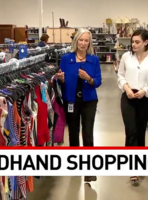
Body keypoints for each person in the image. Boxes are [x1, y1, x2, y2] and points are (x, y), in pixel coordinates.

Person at [55, 28, 102, 182]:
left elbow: (98, 81)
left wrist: (88, 78)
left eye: (86, 40)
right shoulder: (66, 58)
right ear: (76, 41)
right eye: (80, 40)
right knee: (73, 132)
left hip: (89, 101)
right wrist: (60, 79)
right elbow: (61, 82)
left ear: (89, 43)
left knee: (88, 133)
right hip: (71, 100)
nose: (83, 43)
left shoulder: (93, 59)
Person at [117, 29, 148, 186]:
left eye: (137, 42)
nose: (133, 45)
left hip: (144, 99)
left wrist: (145, 91)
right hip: (128, 97)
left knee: (140, 131)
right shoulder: (126, 57)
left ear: (146, 42)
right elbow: (120, 75)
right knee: (131, 130)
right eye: (133, 42)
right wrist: (127, 88)